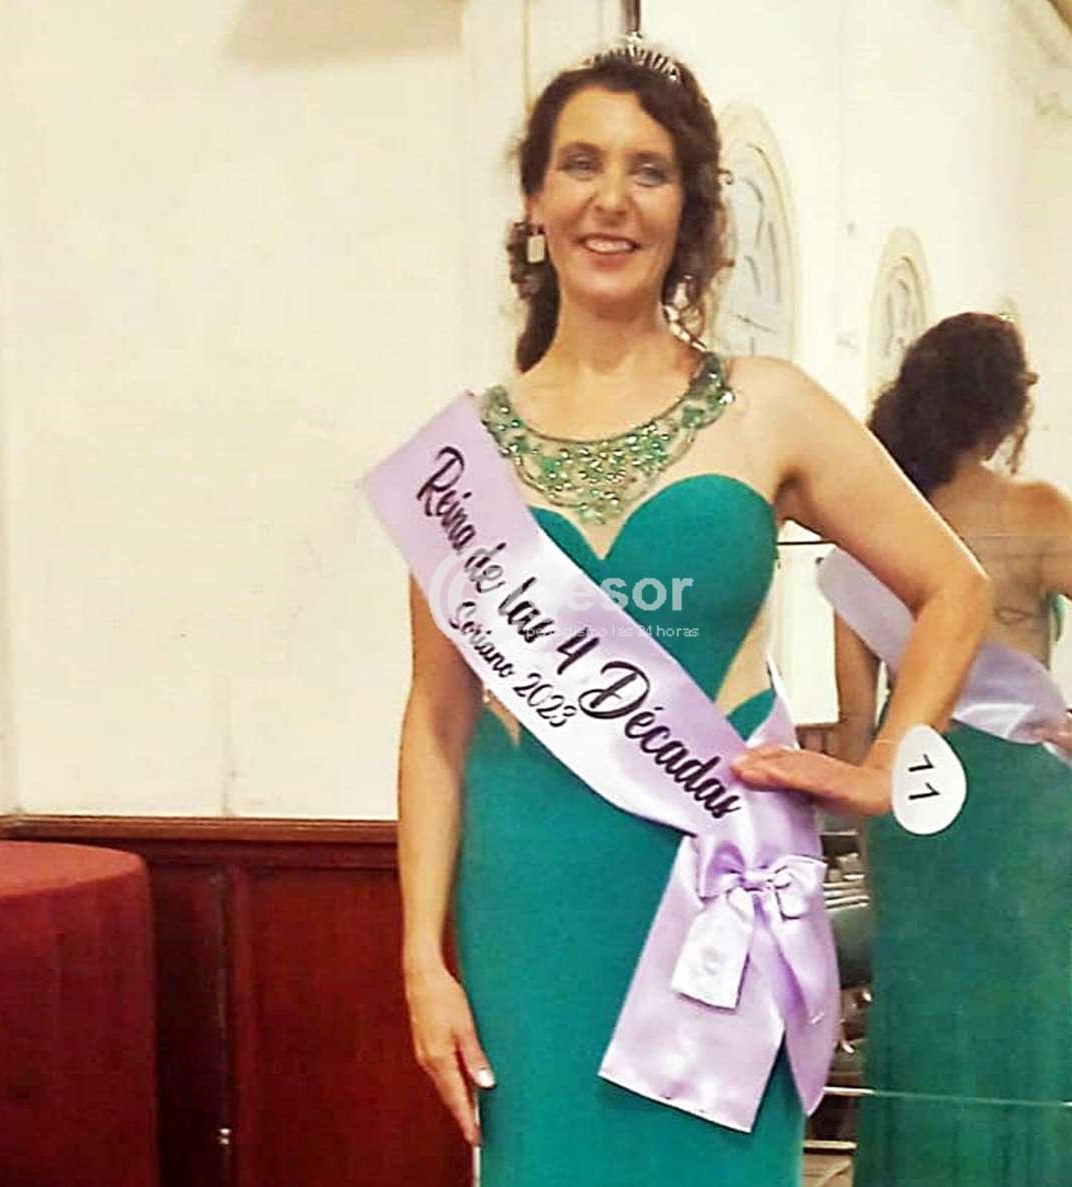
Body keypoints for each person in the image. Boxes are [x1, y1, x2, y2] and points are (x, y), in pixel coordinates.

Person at [395, 39, 990, 1186]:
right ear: (535, 199)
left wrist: (885, 765)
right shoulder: (460, 456)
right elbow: (434, 718)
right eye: (581, 164)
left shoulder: (766, 406)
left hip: (715, 879)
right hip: (530, 901)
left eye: (649, 170)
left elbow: (953, 585)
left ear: (690, 208)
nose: (611, 199)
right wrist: (422, 955)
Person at [830, 312, 1072, 1187]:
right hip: (1014, 795)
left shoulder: (873, 526)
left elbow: (856, 720)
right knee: (1022, 1015)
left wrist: (873, 834)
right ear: (1008, 410)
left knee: (921, 1014)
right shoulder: (1032, 509)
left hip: (911, 790)